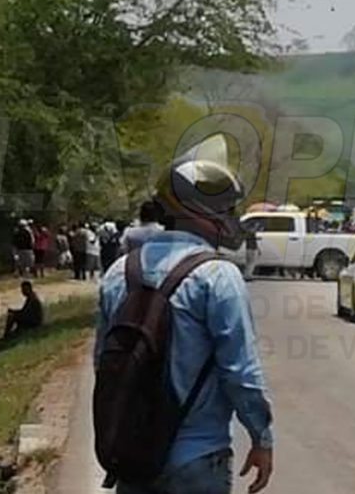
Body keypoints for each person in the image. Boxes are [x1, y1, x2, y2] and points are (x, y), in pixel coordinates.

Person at [96, 136, 274, 494]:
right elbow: (240, 372)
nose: (232, 218)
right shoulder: (218, 275)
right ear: (200, 210)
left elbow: (103, 362)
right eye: (226, 208)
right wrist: (262, 437)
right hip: (197, 458)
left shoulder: (119, 272)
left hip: (133, 455)